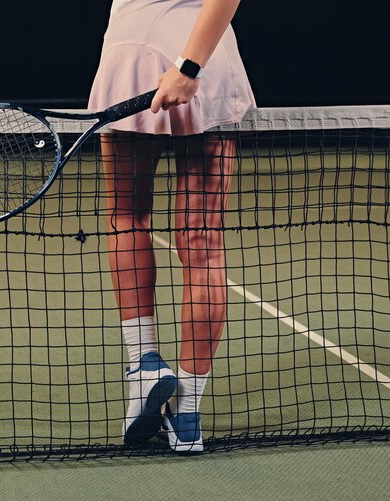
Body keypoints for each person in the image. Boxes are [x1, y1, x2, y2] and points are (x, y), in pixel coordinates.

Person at [88, 0, 255, 453]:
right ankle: (186, 418)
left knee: (127, 219)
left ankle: (145, 368)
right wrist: (189, 64)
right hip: (201, 60)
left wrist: (187, 67)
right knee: (203, 241)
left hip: (143, 55)